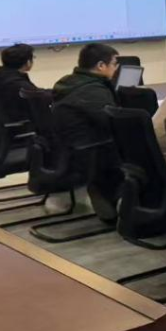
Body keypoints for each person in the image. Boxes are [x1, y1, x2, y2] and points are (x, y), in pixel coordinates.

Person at [51, 43, 124, 220]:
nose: (116, 69)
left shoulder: (69, 82)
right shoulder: (93, 91)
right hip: (89, 154)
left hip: (68, 150)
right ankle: (126, 203)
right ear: (101, 66)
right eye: (114, 64)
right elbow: (112, 123)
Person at [0, 43, 38, 124]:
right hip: (22, 127)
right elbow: (39, 100)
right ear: (28, 62)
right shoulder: (17, 84)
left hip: (5, 126)